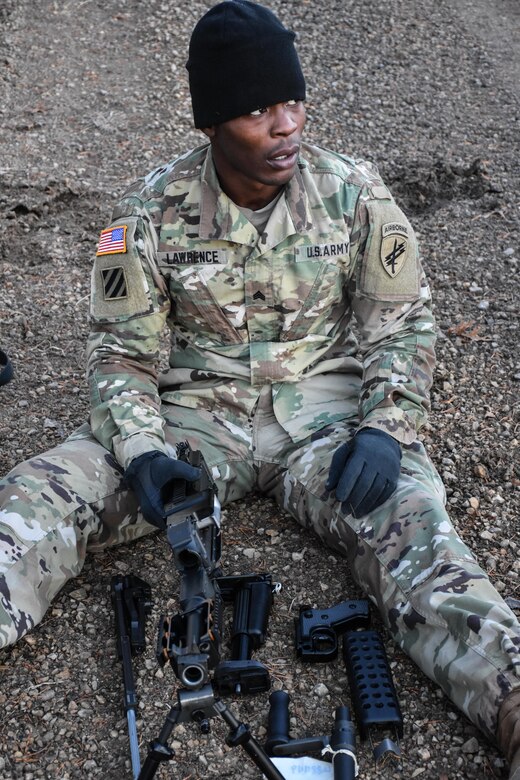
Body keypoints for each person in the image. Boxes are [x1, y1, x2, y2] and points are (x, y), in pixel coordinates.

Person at [1, 0, 519, 774]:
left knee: (422, 536)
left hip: (327, 421)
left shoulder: (356, 196)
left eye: (293, 101)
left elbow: (402, 328)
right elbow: (121, 359)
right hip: (194, 420)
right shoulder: (144, 217)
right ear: (212, 122)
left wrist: (387, 427)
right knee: (36, 501)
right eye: (255, 109)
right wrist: (142, 452)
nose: (285, 127)